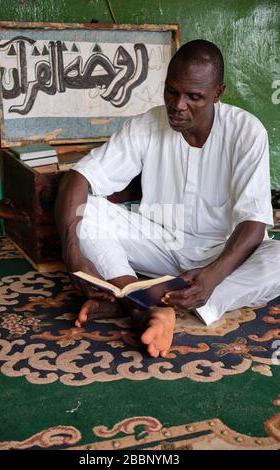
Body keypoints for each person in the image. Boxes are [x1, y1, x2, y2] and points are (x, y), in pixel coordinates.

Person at [55, 39, 280, 358]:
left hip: (222, 252)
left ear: (218, 93)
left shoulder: (247, 132)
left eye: (194, 97)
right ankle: (141, 302)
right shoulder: (148, 123)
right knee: (85, 211)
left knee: (278, 260)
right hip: (158, 240)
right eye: (172, 91)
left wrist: (213, 276)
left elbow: (254, 223)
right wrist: (73, 254)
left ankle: (144, 302)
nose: (178, 105)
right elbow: (79, 178)